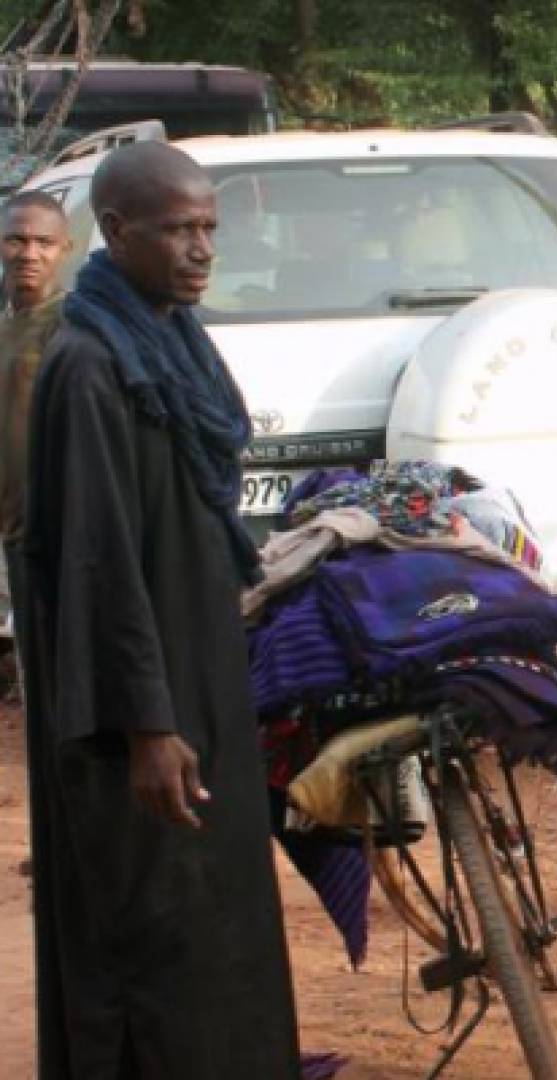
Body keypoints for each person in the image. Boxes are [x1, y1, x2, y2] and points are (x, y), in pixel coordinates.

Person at [20, 142, 301, 1078]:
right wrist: (148, 725)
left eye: (209, 228)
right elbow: (98, 563)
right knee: (150, 941)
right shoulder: (92, 367)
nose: (200, 250)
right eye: (177, 229)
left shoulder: (168, 342)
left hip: (196, 676)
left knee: (219, 926)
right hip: (134, 715)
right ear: (118, 231)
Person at [0, 191, 70, 631]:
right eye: (16, 241)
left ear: (65, 248)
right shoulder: (7, 322)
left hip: (47, 528)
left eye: (43, 243)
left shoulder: (71, 325)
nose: (30, 254)